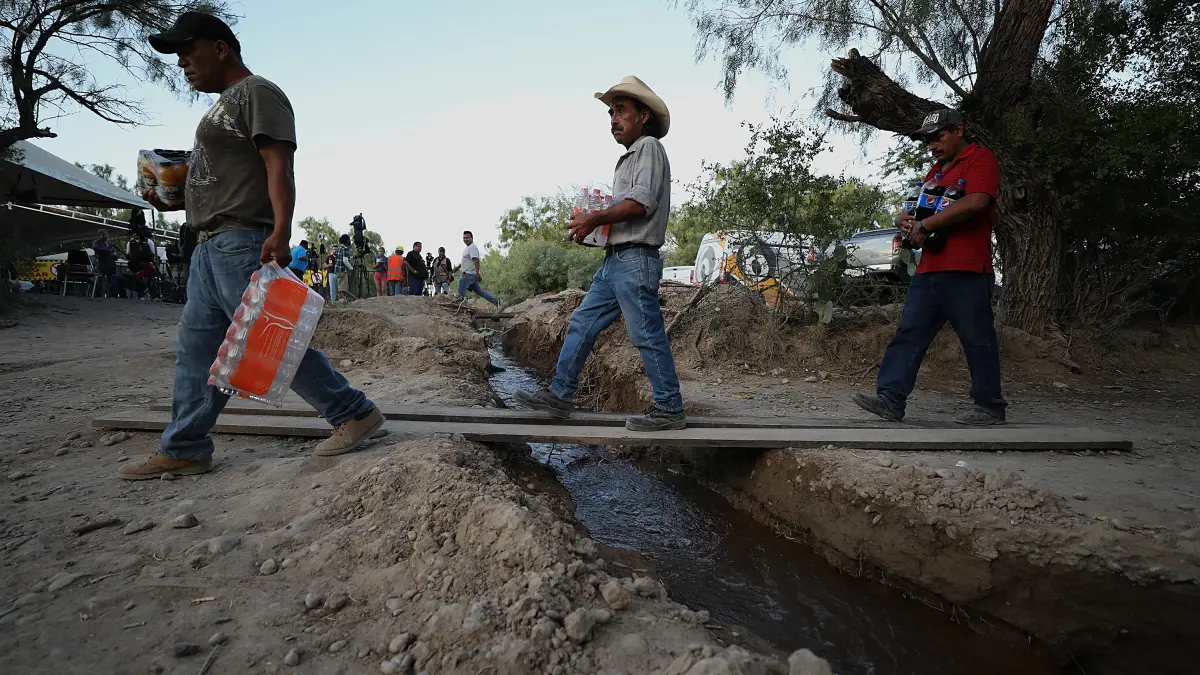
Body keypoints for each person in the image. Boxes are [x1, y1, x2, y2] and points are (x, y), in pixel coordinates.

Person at [118, 11, 383, 480]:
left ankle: (353, 413)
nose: (181, 62)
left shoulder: (258, 93)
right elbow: (230, 177)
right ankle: (185, 446)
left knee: (270, 341)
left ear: (221, 47)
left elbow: (278, 165)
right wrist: (171, 192)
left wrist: (281, 231)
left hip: (243, 240)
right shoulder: (220, 107)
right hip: (209, 245)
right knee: (197, 351)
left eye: (187, 49)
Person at [513, 76, 684, 432]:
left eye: (621, 111)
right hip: (616, 261)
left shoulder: (649, 147)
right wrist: (592, 229)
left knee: (646, 334)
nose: (613, 120)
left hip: (636, 260)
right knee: (581, 323)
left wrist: (593, 217)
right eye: (610, 113)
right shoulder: (628, 158)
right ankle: (560, 396)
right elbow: (623, 211)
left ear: (644, 116)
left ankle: (669, 408)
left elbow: (640, 204)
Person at [851, 109, 1006, 426]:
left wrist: (928, 224)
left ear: (959, 129)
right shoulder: (936, 172)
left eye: (939, 136)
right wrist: (904, 222)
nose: (933, 145)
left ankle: (989, 406)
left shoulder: (981, 159)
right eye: (928, 140)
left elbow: (976, 201)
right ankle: (890, 400)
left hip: (966, 267)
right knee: (909, 333)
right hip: (930, 267)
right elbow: (921, 212)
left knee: (976, 337)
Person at [455, 231, 499, 307]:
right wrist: (457, 268)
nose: (465, 239)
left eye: (467, 238)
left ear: (471, 238)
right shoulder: (468, 248)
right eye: (464, 238)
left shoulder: (472, 247)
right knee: (479, 291)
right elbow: (466, 261)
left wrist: (478, 273)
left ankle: (462, 308)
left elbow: (476, 260)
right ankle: (495, 301)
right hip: (471, 274)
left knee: (460, 294)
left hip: (468, 275)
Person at [92, 229, 119, 297]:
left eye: (106, 234)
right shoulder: (96, 242)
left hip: (111, 263)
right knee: (100, 278)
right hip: (101, 263)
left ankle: (113, 294)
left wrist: (115, 255)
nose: (105, 236)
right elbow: (97, 248)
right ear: (99, 236)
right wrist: (109, 250)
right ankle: (98, 294)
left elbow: (113, 252)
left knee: (112, 278)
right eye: (103, 234)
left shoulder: (110, 243)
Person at [327, 233, 353, 302]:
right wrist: (351, 268)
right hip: (343, 270)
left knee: (339, 286)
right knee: (343, 287)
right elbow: (345, 261)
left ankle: (340, 299)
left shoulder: (339, 248)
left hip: (337, 270)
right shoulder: (345, 248)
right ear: (347, 241)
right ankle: (342, 300)